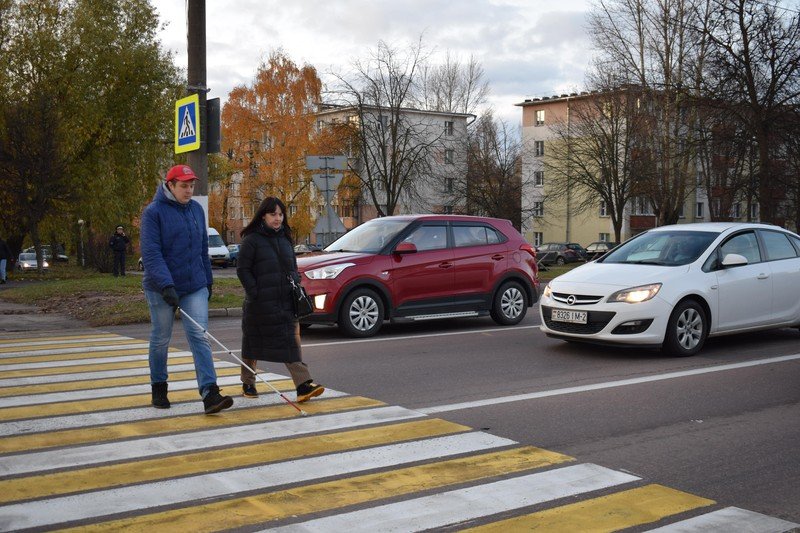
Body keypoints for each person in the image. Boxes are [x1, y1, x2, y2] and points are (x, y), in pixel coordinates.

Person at [140, 164, 233, 414]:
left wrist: (208, 279)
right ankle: (158, 386)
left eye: (191, 185)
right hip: (161, 288)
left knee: (200, 336)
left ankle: (210, 393)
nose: (189, 190)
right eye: (183, 185)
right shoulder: (154, 213)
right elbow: (151, 254)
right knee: (161, 339)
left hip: (194, 285)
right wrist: (166, 284)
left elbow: (202, 247)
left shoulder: (195, 210)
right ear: (170, 185)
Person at [236, 197, 324, 403]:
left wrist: (295, 279)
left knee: (290, 343)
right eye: (273, 214)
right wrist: (254, 292)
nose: (277, 218)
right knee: (252, 343)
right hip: (260, 303)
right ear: (263, 216)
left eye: (280, 214)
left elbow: (292, 267)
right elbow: (242, 269)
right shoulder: (251, 240)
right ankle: (248, 382)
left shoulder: (285, 239)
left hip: (286, 301)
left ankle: (303, 386)